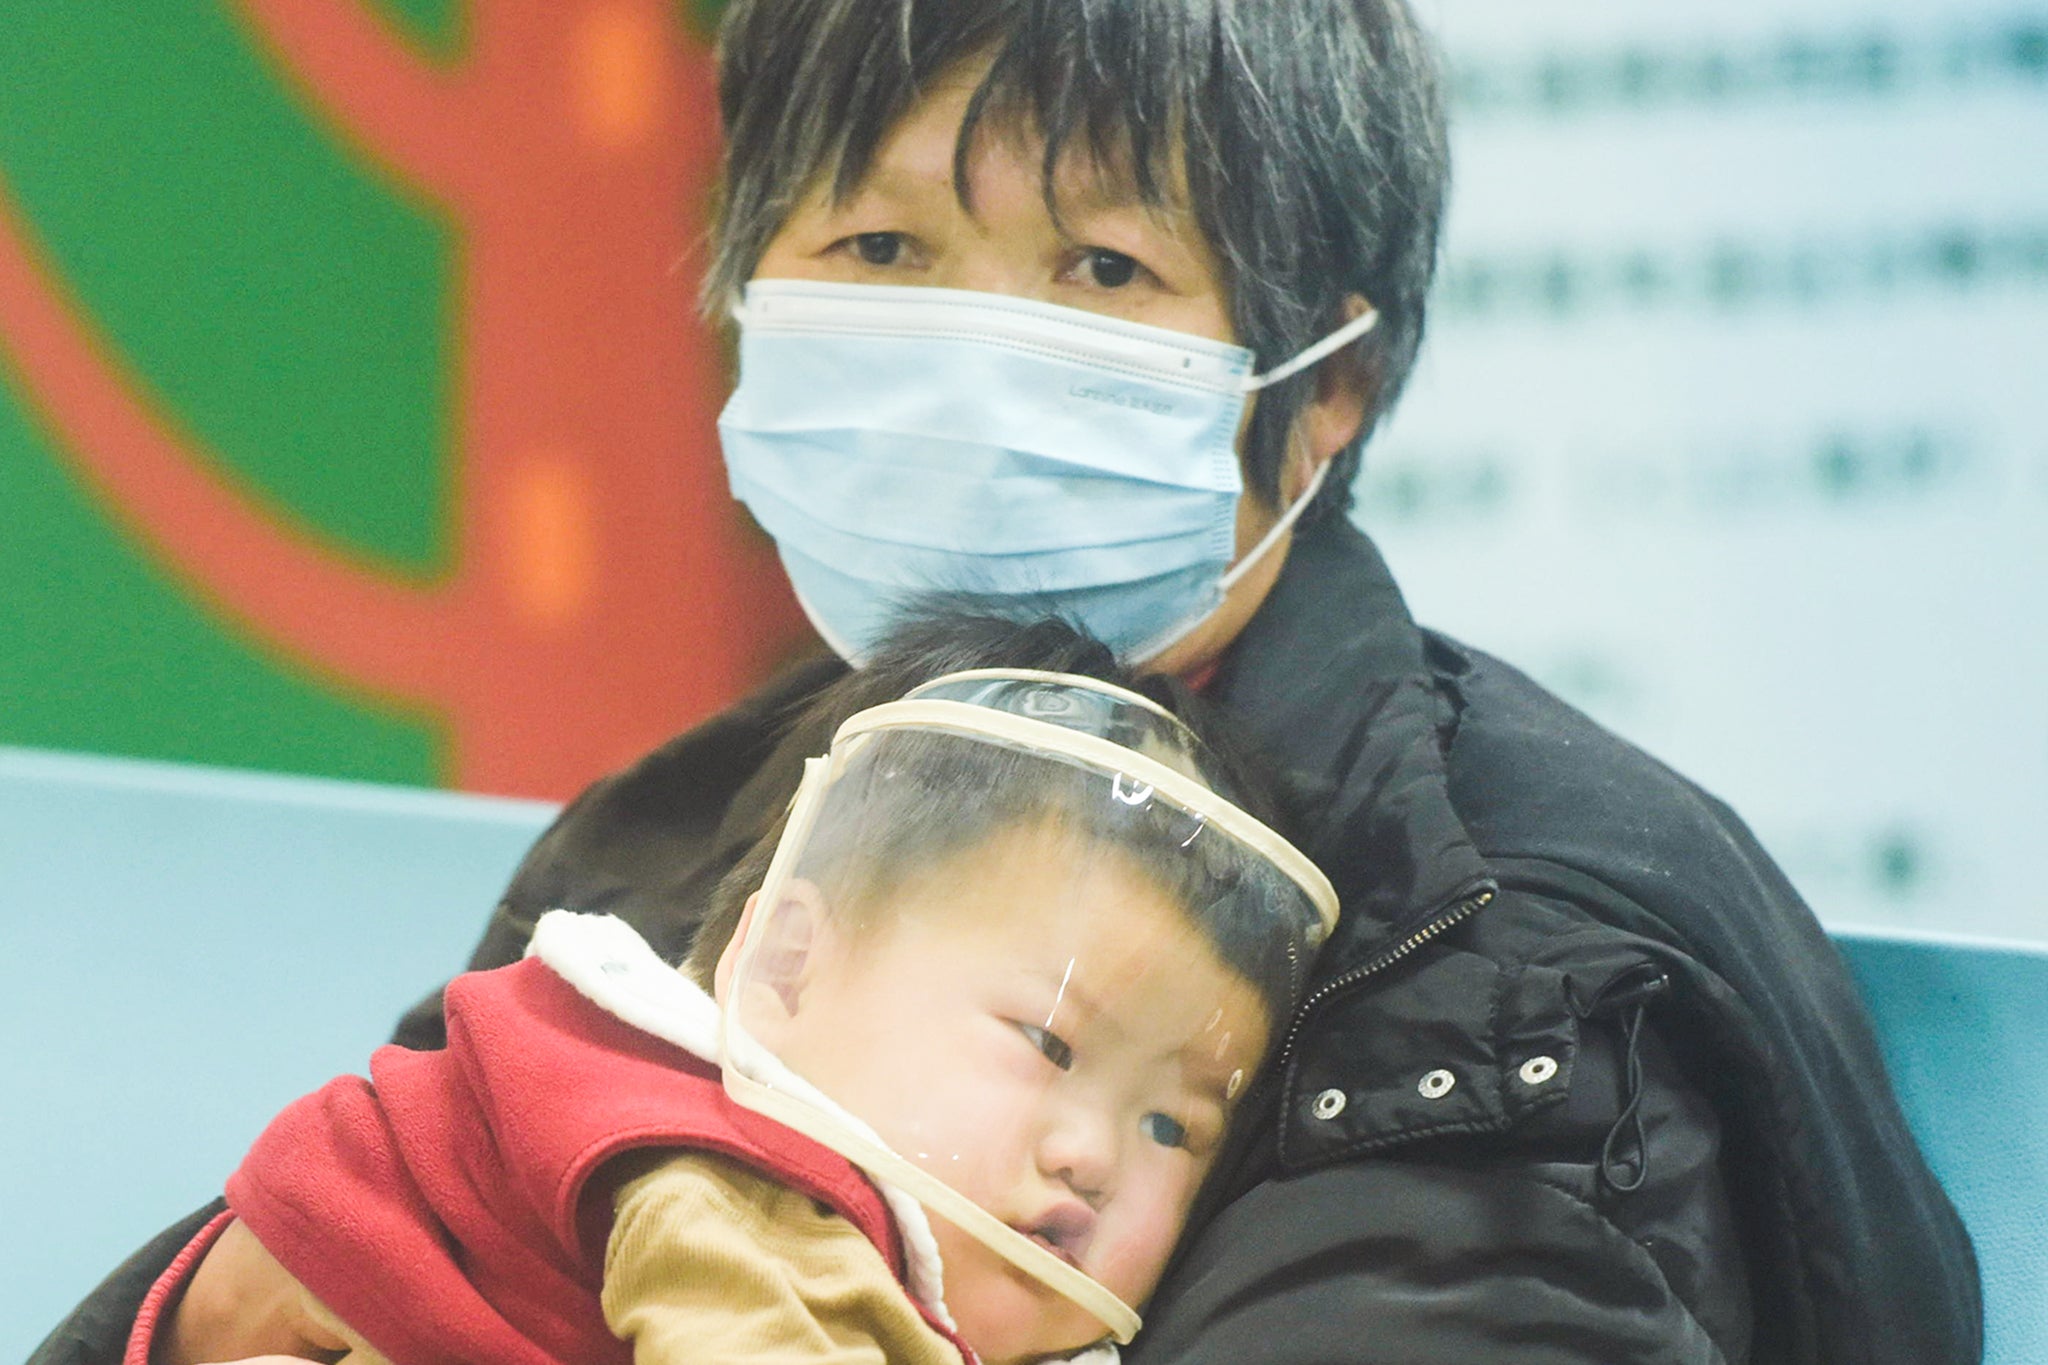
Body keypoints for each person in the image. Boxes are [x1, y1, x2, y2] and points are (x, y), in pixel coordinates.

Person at [33, 2, 1981, 1363]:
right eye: (880, 242)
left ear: (1319, 402)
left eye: (1105, 271)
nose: (970, 340)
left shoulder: (1498, 954)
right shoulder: (678, 830)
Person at [134, 618, 1337, 1365]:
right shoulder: (725, 1170)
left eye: (1172, 1124)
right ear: (790, 967)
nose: (1093, 1156)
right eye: (1050, 1042)